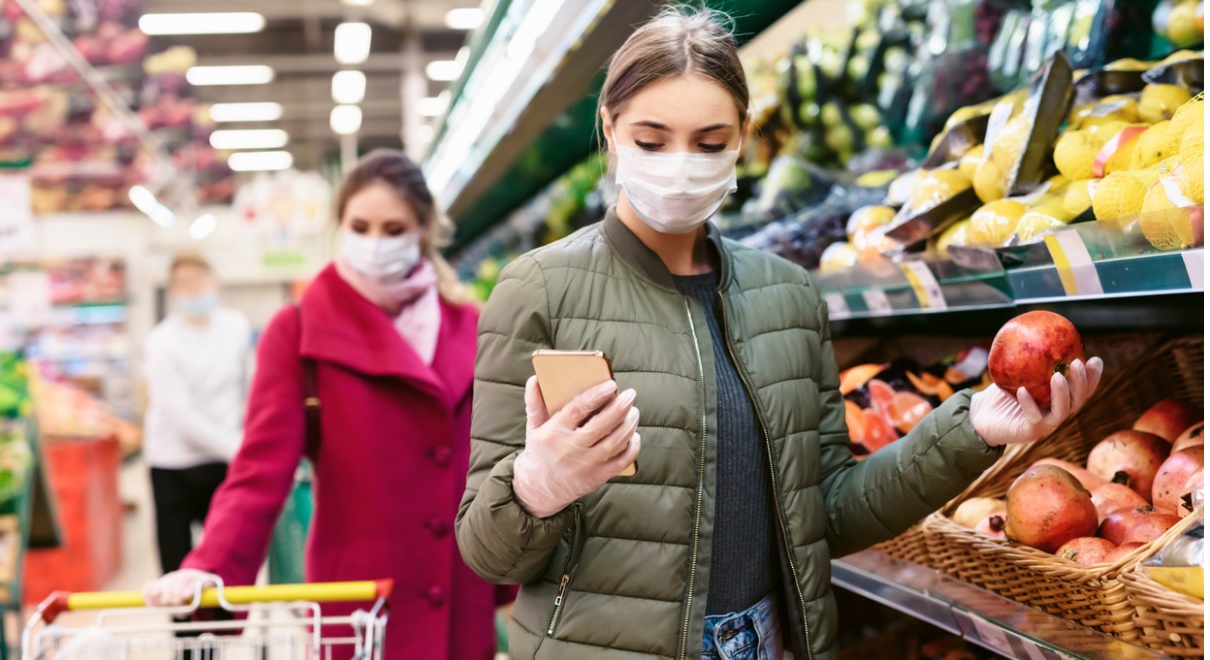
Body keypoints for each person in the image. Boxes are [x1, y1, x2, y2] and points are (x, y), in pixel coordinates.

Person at [456, 8, 1105, 660]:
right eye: (652, 141)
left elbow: (827, 513)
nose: (680, 166)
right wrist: (536, 488)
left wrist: (972, 430)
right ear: (611, 130)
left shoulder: (788, 294)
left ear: (743, 134)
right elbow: (488, 554)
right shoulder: (540, 288)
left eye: (709, 143)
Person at [144, 150, 515, 659]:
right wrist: (209, 566)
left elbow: (500, 462)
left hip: (458, 587)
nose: (376, 243)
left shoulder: (474, 328)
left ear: (423, 230)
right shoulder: (298, 334)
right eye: (360, 226)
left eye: (394, 228)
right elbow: (260, 472)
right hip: (360, 604)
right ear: (339, 226)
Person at [144, 253, 252, 580]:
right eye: (183, 283)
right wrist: (237, 448)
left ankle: (223, 630)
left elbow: (251, 386)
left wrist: (248, 440)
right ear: (174, 290)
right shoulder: (161, 341)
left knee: (226, 555)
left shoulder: (236, 327)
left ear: (214, 280)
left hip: (224, 461)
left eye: (199, 279)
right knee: (176, 562)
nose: (193, 289)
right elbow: (178, 412)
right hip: (173, 462)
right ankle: (183, 630)